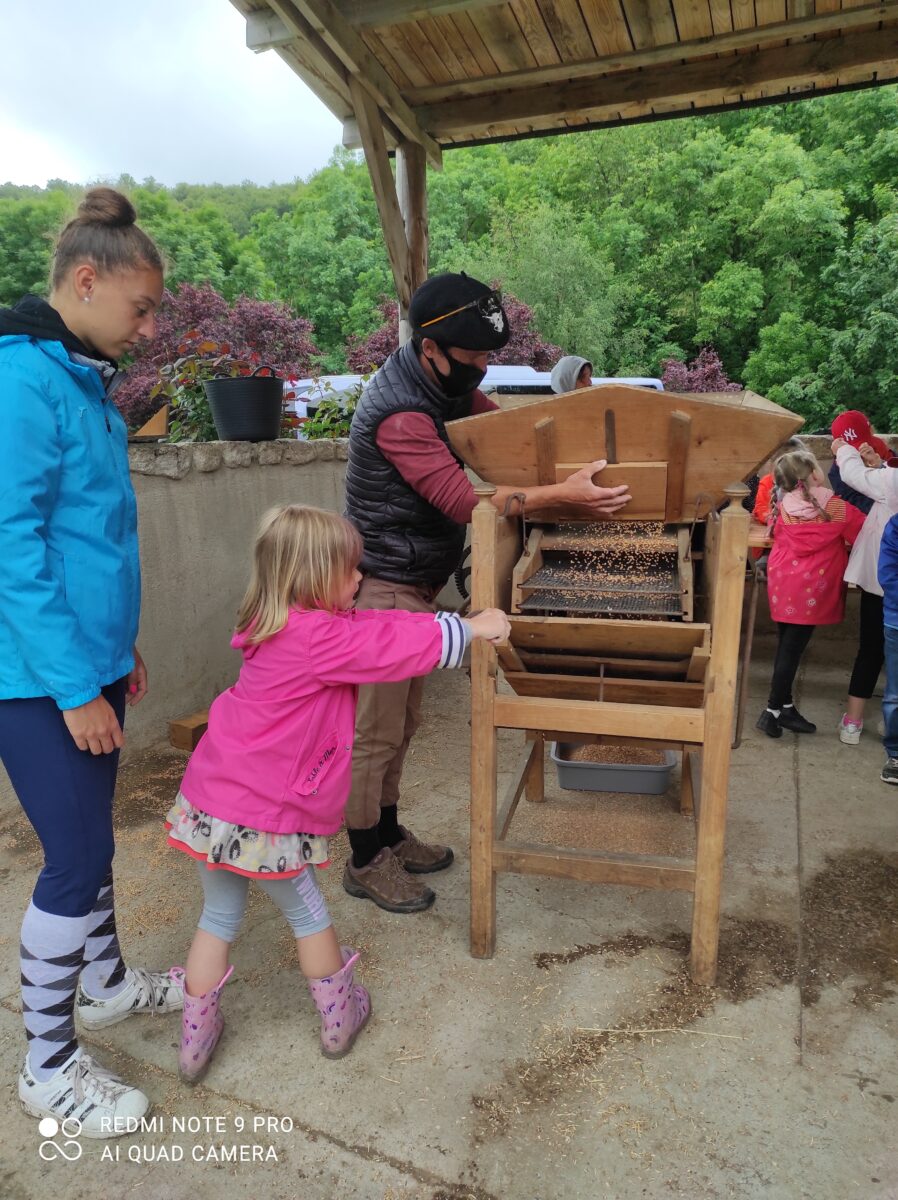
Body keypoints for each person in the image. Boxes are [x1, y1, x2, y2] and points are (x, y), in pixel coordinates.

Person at [164, 505, 510, 1083]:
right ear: (314, 576)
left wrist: (448, 624)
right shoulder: (318, 639)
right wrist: (470, 630)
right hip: (266, 820)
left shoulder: (269, 622)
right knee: (307, 914)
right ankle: (339, 1018)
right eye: (351, 571)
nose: (359, 579)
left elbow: (375, 630)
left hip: (212, 805)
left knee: (218, 917)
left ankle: (193, 1043)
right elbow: (385, 647)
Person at [343, 272, 630, 913]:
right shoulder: (400, 413)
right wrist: (565, 496)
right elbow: (462, 499)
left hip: (417, 581)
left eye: (485, 359)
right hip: (383, 585)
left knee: (405, 721)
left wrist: (575, 452)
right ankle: (364, 857)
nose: (479, 372)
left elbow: (507, 439)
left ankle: (389, 833)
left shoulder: (446, 385)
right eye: (470, 359)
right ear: (430, 350)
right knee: (377, 730)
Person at [0, 188, 180, 1135]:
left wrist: (117, 649)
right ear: (84, 281)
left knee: (94, 838)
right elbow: (12, 547)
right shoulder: (20, 380)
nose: (148, 327)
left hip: (85, 659)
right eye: (140, 307)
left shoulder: (78, 377)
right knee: (72, 859)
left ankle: (104, 984)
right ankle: (48, 1066)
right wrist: (76, 684)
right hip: (32, 675)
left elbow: (90, 537)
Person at [756, 449, 865, 738]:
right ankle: (772, 712)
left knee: (786, 647)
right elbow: (862, 532)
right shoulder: (836, 507)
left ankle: (787, 708)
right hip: (812, 588)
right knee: (792, 651)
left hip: (783, 582)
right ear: (814, 474)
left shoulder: (784, 504)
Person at [831, 435, 898, 743]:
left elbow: (851, 475)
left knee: (870, 649)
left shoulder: (891, 481)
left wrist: (842, 447)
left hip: (882, 582)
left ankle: (853, 722)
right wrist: (879, 465)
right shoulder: (890, 477)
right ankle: (892, 724)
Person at [829, 410, 894, 515]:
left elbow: (894, 479)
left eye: (863, 444)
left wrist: (880, 465)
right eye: (851, 450)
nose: (859, 451)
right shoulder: (837, 469)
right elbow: (850, 500)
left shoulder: (884, 451)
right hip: (869, 519)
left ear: (871, 431)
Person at [876, 513, 898, 783]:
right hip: (896, 621)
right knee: (895, 694)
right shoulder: (895, 525)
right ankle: (895, 752)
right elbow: (888, 574)